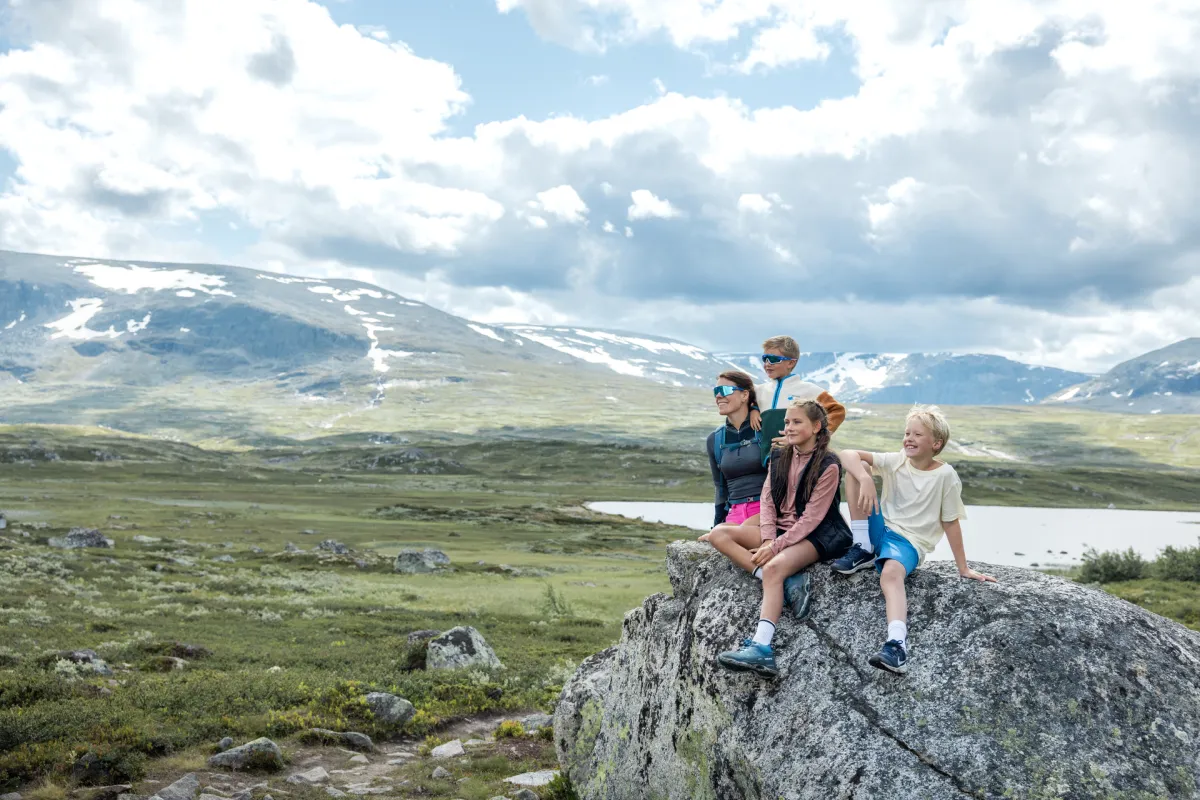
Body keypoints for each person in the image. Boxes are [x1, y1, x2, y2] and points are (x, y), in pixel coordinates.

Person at [833, 405, 997, 675]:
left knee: (890, 575)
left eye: (917, 435)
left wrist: (963, 568)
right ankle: (863, 546)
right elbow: (846, 454)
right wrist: (865, 478)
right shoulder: (898, 460)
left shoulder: (945, 476)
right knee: (858, 466)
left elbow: (950, 522)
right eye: (907, 433)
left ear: (936, 443)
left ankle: (896, 645)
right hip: (880, 529)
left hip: (908, 542)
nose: (908, 438)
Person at [712, 400, 852, 678]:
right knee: (719, 535)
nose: (788, 427)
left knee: (775, 565)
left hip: (816, 535)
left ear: (816, 426)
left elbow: (812, 518)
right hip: (777, 531)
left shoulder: (829, 464)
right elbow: (767, 500)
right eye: (787, 422)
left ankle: (762, 648)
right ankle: (782, 580)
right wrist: (767, 539)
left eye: (796, 422)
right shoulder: (779, 455)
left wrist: (775, 546)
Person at [700, 372, 768, 542]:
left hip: (767, 512)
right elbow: (720, 487)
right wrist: (717, 525)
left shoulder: (765, 429)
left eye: (724, 389)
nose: (718, 395)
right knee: (711, 541)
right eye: (716, 390)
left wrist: (755, 409)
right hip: (735, 514)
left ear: (745, 395)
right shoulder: (715, 439)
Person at [749, 335, 846, 436]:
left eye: (774, 359)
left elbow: (837, 411)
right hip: (763, 451)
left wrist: (816, 437)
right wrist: (753, 409)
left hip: (796, 451)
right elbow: (741, 401)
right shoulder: (758, 390)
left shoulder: (810, 390)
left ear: (791, 363)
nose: (768, 364)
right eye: (765, 359)